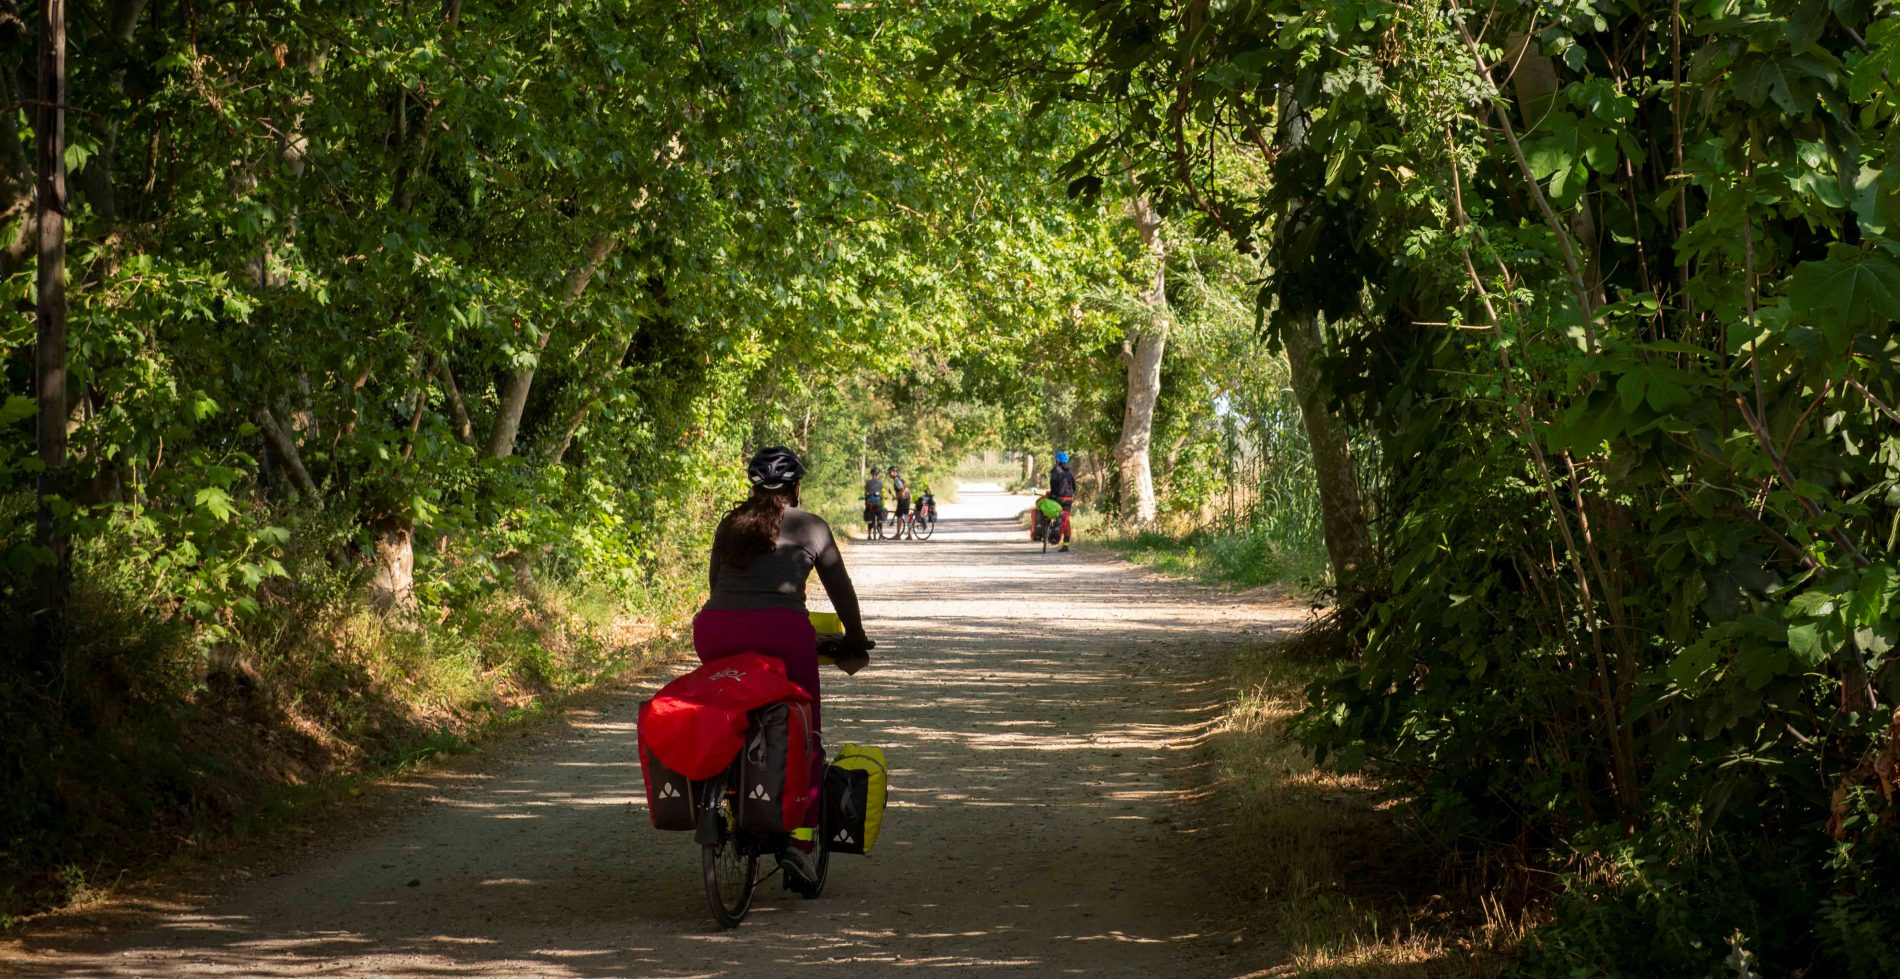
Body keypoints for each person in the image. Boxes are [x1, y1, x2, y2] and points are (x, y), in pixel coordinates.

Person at [697, 446, 871, 878]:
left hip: (715, 627)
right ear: (796, 488)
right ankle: (801, 841)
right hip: (782, 632)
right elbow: (840, 590)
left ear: (753, 487)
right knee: (804, 727)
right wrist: (854, 637)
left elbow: (717, 584)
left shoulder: (730, 523)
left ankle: (723, 792)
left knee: (729, 704)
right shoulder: (811, 526)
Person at [1049, 451, 1077, 551]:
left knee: (1049, 512)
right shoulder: (1069, 472)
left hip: (1058, 498)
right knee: (1066, 520)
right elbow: (1074, 487)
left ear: (1057, 460)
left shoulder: (1055, 470)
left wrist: (1052, 495)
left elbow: (1052, 485)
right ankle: (1065, 545)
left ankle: (1048, 531)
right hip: (1068, 499)